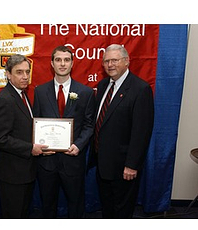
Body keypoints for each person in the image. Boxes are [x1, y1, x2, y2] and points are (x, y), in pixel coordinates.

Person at [33, 45, 96, 218]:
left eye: (66, 60)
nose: (62, 64)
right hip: (47, 162)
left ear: (72, 63)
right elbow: (36, 123)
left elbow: (89, 125)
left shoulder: (86, 92)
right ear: (52, 64)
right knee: (47, 205)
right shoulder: (39, 91)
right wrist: (39, 146)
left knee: (76, 205)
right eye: (58, 60)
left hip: (73, 161)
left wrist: (79, 145)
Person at [93, 44, 154, 218]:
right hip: (102, 163)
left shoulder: (140, 89)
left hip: (124, 167)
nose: (110, 65)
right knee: (107, 208)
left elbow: (141, 131)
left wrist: (132, 165)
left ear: (126, 61)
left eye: (114, 60)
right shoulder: (104, 84)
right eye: (106, 61)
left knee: (122, 211)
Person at [0, 54, 47, 218]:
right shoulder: (5, 99)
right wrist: (30, 148)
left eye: (27, 72)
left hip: (25, 172)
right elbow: (0, 138)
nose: (25, 76)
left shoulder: (21, 95)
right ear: (8, 74)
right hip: (13, 176)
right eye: (19, 72)